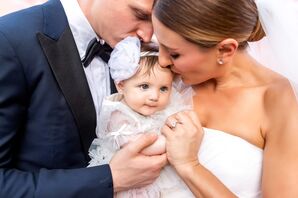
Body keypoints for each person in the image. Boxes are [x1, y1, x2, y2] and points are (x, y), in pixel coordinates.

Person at [0, 0, 167, 197]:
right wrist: (112, 179)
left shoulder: (142, 52)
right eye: (140, 15)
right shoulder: (9, 40)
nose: (147, 35)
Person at [152, 0, 298, 197]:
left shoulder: (277, 102)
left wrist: (190, 166)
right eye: (159, 44)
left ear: (225, 50)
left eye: (174, 54)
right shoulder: (165, 81)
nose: (161, 61)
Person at [88, 36, 193, 197]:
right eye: (144, 86)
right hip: (133, 182)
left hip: (158, 173)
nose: (154, 96)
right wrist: (174, 140)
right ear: (121, 85)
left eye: (163, 88)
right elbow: (141, 147)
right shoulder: (118, 114)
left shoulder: (164, 107)